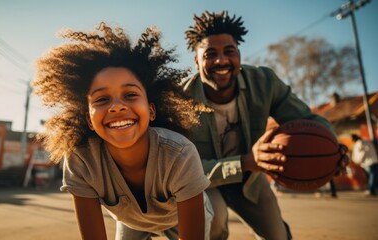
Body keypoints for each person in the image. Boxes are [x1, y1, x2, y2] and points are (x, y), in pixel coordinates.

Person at [32, 23, 213, 240]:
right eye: (101, 99)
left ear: (151, 110)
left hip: (179, 218)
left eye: (130, 95)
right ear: (89, 119)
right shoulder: (81, 160)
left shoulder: (179, 154)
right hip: (131, 223)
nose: (117, 106)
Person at [183, 11, 347, 240]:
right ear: (197, 61)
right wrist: (245, 161)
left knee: (278, 236)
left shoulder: (264, 83)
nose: (221, 60)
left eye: (229, 52)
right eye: (211, 54)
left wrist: (333, 147)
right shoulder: (180, 99)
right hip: (202, 183)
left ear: (239, 55)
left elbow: (310, 121)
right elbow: (181, 169)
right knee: (214, 221)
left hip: (250, 179)